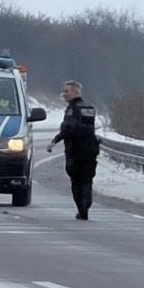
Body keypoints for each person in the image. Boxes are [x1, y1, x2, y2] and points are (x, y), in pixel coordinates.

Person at [47, 80, 100, 220]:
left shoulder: (72, 109)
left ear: (76, 92)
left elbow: (69, 129)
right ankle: (86, 203)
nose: (64, 94)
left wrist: (55, 141)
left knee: (76, 180)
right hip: (90, 149)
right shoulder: (89, 107)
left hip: (75, 150)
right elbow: (89, 128)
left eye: (67, 91)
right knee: (87, 179)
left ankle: (82, 209)